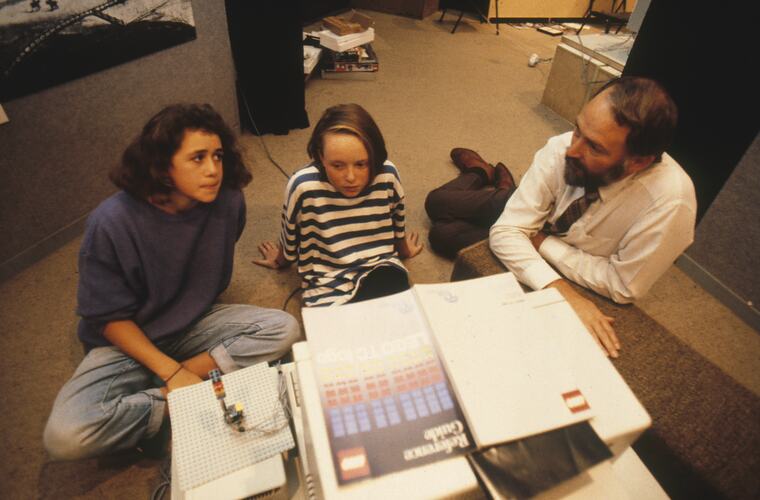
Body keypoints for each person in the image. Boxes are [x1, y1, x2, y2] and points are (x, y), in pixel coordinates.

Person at [43, 104, 299, 460]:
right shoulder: (111, 223)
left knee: (283, 328)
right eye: (197, 158)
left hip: (192, 324)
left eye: (218, 156)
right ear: (162, 168)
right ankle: (183, 388)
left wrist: (179, 374)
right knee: (66, 436)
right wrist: (171, 371)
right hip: (129, 340)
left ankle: (158, 400)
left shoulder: (229, 202)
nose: (213, 170)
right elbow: (107, 319)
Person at [430, 77, 697, 358]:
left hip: (544, 233)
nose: (572, 150)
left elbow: (622, 285)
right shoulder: (563, 148)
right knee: (437, 202)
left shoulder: (671, 204)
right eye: (577, 129)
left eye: (594, 147)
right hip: (537, 215)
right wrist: (561, 291)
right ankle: (481, 173)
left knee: (443, 234)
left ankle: (503, 186)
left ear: (638, 162)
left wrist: (542, 242)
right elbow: (509, 230)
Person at [254, 103, 423, 306]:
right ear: (320, 155)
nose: (351, 177)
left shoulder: (387, 175)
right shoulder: (303, 187)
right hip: (326, 281)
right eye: (337, 165)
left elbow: (397, 218)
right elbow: (290, 232)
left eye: (361, 164)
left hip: (380, 269)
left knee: (394, 291)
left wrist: (403, 250)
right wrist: (280, 259)